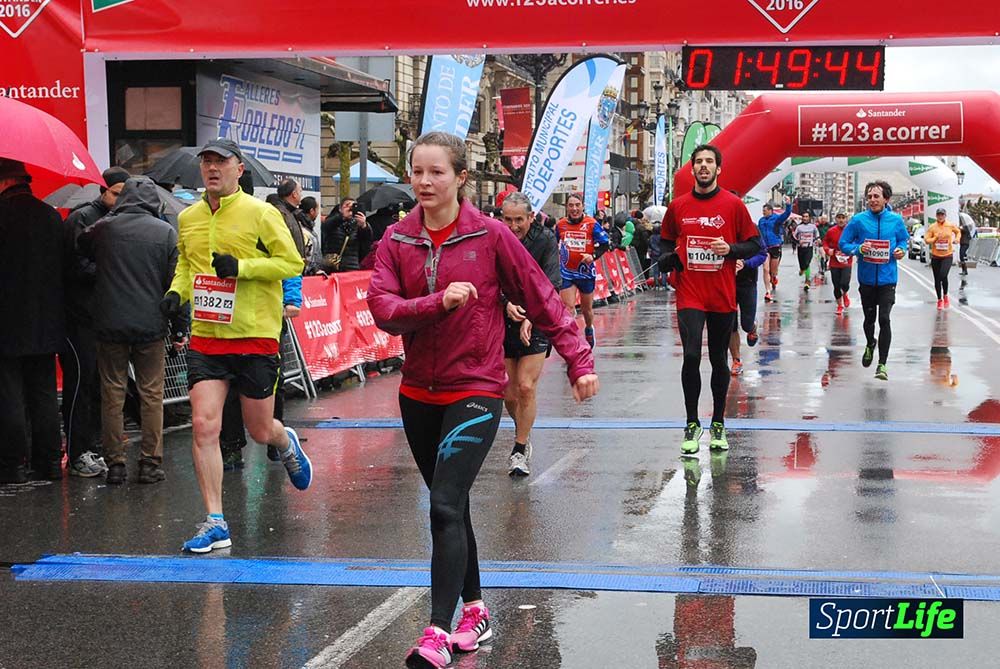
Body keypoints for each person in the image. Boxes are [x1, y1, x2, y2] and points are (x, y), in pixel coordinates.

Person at [368, 132, 598, 669]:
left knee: (445, 504)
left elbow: (541, 295)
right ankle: (475, 609)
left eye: (436, 172)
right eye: (417, 172)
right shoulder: (397, 239)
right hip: (417, 392)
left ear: (461, 178)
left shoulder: (490, 237)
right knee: (452, 505)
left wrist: (578, 359)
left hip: (475, 387)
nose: (425, 182)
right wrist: (436, 303)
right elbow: (382, 307)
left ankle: (436, 631)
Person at [159, 138, 310, 553]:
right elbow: (187, 264)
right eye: (206, 162)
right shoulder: (188, 217)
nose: (212, 169)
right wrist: (176, 293)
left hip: (254, 334)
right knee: (204, 425)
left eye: (221, 162)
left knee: (259, 430)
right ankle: (215, 521)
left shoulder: (262, 213)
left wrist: (242, 268)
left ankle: (284, 441)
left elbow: (292, 263)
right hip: (207, 337)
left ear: (238, 169)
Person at [78, 176, 182, 485]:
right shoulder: (165, 232)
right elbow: (175, 284)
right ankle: (150, 463)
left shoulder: (105, 228)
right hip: (151, 324)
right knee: (152, 394)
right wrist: (181, 328)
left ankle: (116, 464)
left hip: (110, 323)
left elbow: (82, 244)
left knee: (112, 392)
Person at [658, 145, 762, 454]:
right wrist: (668, 259)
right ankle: (692, 424)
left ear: (718, 169)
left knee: (719, 359)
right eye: (699, 162)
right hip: (690, 292)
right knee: (691, 356)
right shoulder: (678, 206)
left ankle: (718, 422)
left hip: (721, 293)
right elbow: (664, 243)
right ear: (692, 169)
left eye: (709, 162)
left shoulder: (733, 205)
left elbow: (755, 244)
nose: (703, 166)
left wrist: (730, 250)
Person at [0, 159, 68, 484]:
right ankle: (50, 462)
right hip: (46, 320)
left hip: (6, 320)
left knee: (9, 394)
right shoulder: (51, 217)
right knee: (43, 393)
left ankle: (12, 465)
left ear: (4, 182)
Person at [60, 166, 130, 477]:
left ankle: (93, 446)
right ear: (103, 190)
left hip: (103, 316)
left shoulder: (116, 219)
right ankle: (78, 450)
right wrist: (111, 271)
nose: (120, 199)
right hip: (79, 317)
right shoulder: (82, 218)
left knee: (102, 386)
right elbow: (74, 267)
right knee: (81, 384)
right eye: (115, 192)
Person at [499, 192, 562, 477]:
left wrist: (531, 318)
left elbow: (550, 283)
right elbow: (489, 280)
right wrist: (506, 303)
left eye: (519, 220)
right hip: (504, 317)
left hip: (537, 317)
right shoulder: (497, 237)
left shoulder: (545, 239)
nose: (513, 226)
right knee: (509, 393)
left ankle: (520, 448)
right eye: (508, 220)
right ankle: (522, 428)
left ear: (531, 218)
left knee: (525, 386)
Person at [838, 180, 909, 381]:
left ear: (886, 199)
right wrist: (858, 249)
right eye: (869, 196)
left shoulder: (895, 220)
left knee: (884, 319)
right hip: (867, 280)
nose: (872, 200)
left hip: (888, 279)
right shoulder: (858, 220)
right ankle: (870, 343)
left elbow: (903, 240)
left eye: (876, 196)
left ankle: (882, 365)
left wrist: (901, 250)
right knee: (869, 320)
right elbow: (843, 243)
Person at [556, 193, 610, 348]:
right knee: (568, 307)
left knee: (587, 310)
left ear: (583, 206)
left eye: (577, 205)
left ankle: (589, 328)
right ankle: (572, 340)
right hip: (567, 272)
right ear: (566, 207)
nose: (574, 209)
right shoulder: (560, 225)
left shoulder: (591, 224)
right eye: (571, 205)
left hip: (585, 273)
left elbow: (605, 244)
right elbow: (553, 243)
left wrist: (593, 256)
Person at [729, 239, 767, 376]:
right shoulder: (721, 229)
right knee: (731, 324)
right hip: (727, 283)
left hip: (748, 282)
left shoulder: (752, 231)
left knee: (746, 324)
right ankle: (736, 360)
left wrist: (745, 263)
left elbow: (762, 254)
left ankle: (752, 327)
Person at [321, 197, 372, 272]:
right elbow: (325, 227)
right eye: (347, 205)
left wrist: (364, 226)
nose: (350, 208)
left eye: (353, 206)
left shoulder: (358, 225)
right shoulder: (334, 220)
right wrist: (342, 217)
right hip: (333, 266)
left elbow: (366, 242)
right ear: (340, 209)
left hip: (351, 266)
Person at [924, 207, 962, 309]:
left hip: (947, 255)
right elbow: (927, 240)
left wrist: (957, 239)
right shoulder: (932, 227)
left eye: (942, 215)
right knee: (937, 279)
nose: (940, 216)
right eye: (939, 215)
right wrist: (935, 238)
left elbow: (958, 232)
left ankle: (945, 295)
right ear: (936, 216)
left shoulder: (950, 225)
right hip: (936, 256)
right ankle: (940, 300)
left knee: (943, 274)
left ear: (945, 216)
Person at [757, 196, 791, 302]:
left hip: (775, 246)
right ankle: (768, 292)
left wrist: (788, 204)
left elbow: (786, 214)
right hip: (765, 247)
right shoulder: (761, 221)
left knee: (773, 271)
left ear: (770, 211)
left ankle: (774, 277)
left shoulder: (776, 218)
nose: (763, 212)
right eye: (762, 211)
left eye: (765, 211)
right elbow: (758, 232)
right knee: (765, 269)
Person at [822, 212, 853, 316]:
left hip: (846, 262)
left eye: (843, 218)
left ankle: (845, 293)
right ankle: (839, 305)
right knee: (836, 285)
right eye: (839, 218)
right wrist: (828, 250)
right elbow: (825, 242)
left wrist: (853, 250)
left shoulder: (850, 230)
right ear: (835, 219)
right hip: (834, 262)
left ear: (846, 219)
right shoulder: (831, 231)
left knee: (844, 283)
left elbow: (856, 242)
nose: (841, 220)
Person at [792, 211, 820, 291]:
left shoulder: (813, 227)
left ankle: (807, 281)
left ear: (809, 218)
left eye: (806, 216)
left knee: (807, 263)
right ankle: (802, 269)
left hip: (809, 247)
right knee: (802, 265)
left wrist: (818, 240)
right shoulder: (799, 227)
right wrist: (798, 241)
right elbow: (793, 237)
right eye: (803, 216)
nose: (805, 218)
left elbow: (817, 235)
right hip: (801, 248)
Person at [959, 211, 976, 275]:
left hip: (965, 243)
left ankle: (965, 270)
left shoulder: (966, 227)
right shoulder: (964, 227)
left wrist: (960, 228)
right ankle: (964, 270)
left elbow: (964, 231)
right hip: (963, 243)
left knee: (961, 256)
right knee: (961, 256)